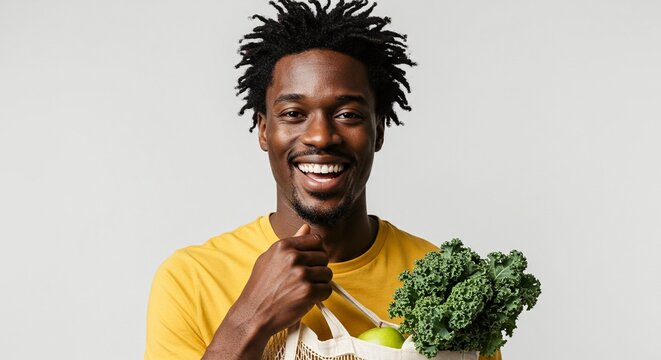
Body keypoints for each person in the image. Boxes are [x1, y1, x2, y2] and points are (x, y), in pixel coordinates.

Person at [145, 1, 502, 359]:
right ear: (264, 130)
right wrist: (250, 318)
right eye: (293, 114)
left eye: (347, 114)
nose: (320, 136)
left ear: (378, 130)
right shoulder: (192, 280)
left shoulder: (449, 286)